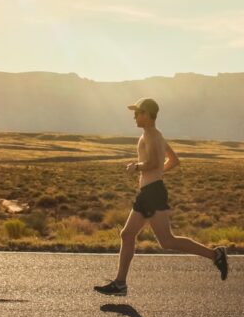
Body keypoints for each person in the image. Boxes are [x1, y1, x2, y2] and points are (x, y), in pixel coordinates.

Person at [94, 98, 228, 296]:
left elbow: (154, 161)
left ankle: (215, 254)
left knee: (167, 241)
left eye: (137, 112)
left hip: (153, 193)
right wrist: (157, 173)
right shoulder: (156, 135)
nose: (134, 116)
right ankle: (120, 283)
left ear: (147, 114)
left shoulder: (151, 135)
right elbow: (173, 161)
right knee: (128, 234)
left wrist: (137, 167)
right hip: (149, 191)